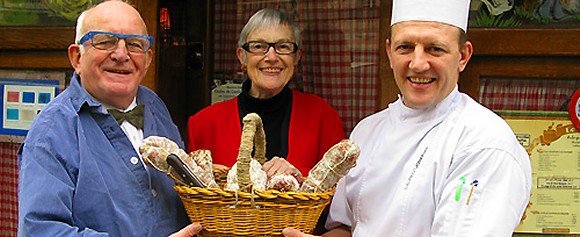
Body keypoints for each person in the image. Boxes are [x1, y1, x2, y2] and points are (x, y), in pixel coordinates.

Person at [283, 0, 532, 236]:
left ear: (463, 56)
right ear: (389, 52)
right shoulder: (366, 132)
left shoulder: (485, 143)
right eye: (406, 47)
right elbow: (347, 228)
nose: (418, 64)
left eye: (435, 49)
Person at [18, 1, 201, 236]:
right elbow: (40, 231)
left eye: (135, 44)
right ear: (76, 57)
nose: (121, 54)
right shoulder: (51, 131)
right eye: (105, 42)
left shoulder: (155, 106)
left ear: (147, 59)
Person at [187, 8, 344, 181]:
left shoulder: (323, 117)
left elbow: (339, 193)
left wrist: (299, 176)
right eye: (259, 47)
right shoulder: (203, 124)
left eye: (283, 47)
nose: (271, 57)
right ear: (242, 57)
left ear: (297, 57)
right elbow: (192, 194)